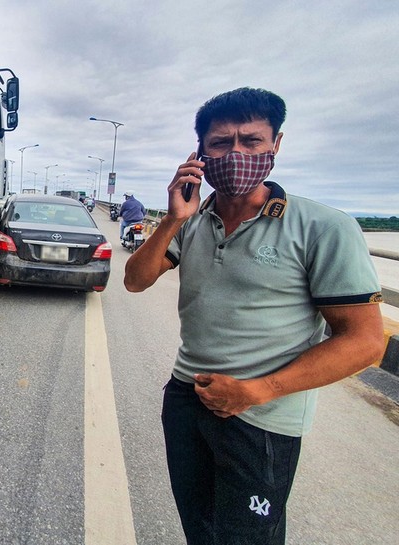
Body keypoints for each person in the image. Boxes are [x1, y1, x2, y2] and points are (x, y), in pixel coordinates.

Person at [123, 87, 384, 545]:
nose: (236, 152)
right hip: (186, 399)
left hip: (263, 417)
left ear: (276, 146)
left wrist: (257, 391)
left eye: (252, 141)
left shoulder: (324, 227)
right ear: (200, 154)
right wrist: (172, 220)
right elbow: (135, 280)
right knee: (199, 527)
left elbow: (364, 341)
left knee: (247, 538)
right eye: (221, 143)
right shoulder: (196, 222)